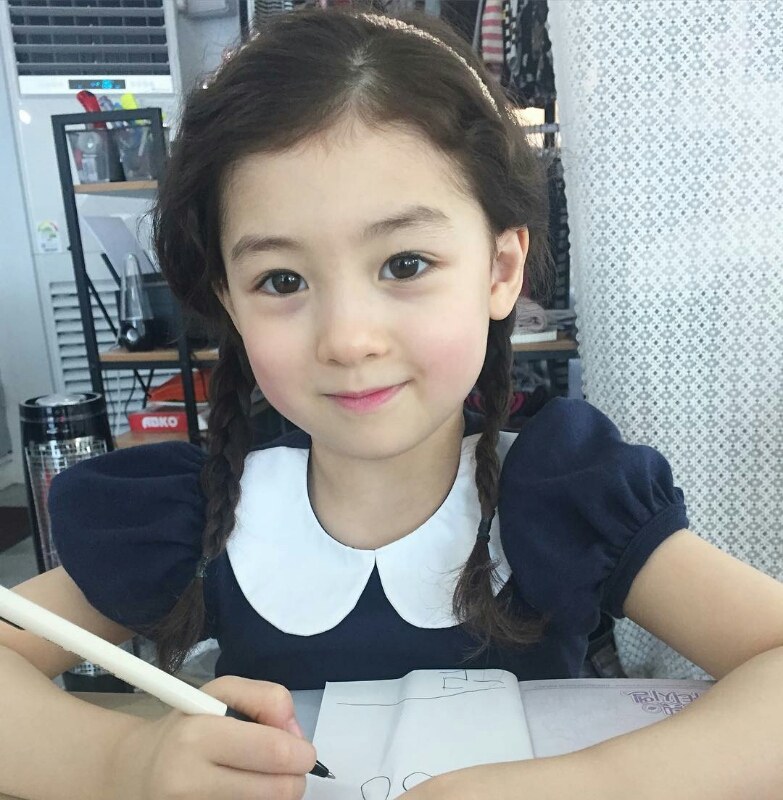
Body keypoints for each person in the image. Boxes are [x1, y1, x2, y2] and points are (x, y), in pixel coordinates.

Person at [2, 7, 783, 800]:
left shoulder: (567, 495)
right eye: (281, 280)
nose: (348, 339)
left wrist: (577, 785)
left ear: (500, 270)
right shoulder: (192, 517)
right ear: (229, 302)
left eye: (404, 264)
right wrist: (123, 763)